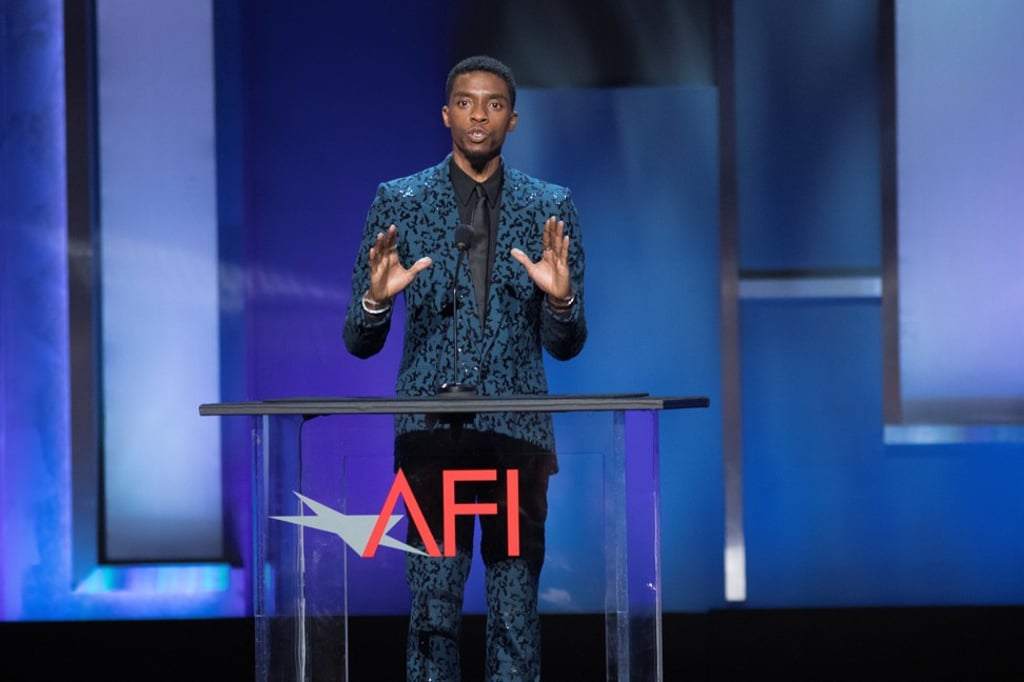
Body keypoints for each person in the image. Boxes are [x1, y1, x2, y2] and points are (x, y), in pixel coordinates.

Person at [343, 55, 587, 681]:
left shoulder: (550, 207)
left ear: (513, 119)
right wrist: (376, 302)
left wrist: (561, 301)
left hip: (516, 440)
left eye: (494, 104)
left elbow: (565, 345)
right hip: (431, 442)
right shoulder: (400, 202)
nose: (479, 116)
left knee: (515, 615)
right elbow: (358, 340)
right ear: (446, 114)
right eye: (466, 102)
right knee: (431, 611)